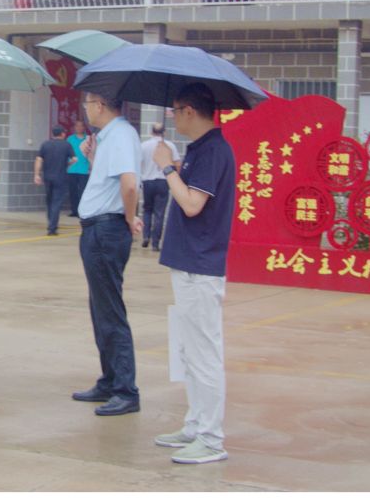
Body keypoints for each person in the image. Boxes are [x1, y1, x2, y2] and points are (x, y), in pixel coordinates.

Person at [151, 84, 236, 464]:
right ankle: (195, 424)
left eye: (175, 111)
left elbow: (191, 204)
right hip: (189, 264)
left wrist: (167, 167)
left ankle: (211, 439)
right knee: (190, 351)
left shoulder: (214, 150)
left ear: (189, 111)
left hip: (200, 268)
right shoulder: (202, 149)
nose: (173, 117)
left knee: (204, 354)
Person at [70, 91, 144, 416]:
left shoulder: (122, 134)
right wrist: (93, 157)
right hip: (97, 230)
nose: (85, 109)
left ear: (99, 105)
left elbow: (129, 185)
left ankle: (126, 390)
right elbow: (107, 183)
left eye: (87, 104)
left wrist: (129, 217)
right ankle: (110, 380)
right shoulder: (107, 137)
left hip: (106, 230)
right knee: (100, 310)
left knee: (110, 312)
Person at [139, 124, 176, 251]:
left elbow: (139, 163)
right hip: (163, 181)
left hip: (147, 182)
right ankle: (155, 243)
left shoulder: (143, 145)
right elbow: (176, 163)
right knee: (159, 213)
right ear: (164, 132)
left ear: (151, 132)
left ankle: (146, 236)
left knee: (147, 210)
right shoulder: (169, 146)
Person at [36, 126, 74, 236]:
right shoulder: (66, 145)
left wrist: (37, 174)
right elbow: (74, 159)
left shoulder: (45, 144)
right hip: (61, 177)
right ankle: (52, 228)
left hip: (47, 177)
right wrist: (67, 164)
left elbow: (39, 159)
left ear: (52, 134)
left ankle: (50, 223)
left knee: (49, 201)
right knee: (56, 202)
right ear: (62, 134)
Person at [65, 121, 92, 218]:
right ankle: (74, 211)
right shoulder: (70, 139)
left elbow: (93, 153)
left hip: (84, 169)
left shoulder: (88, 139)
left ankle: (82, 211)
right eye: (77, 126)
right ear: (74, 127)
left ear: (84, 127)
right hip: (71, 169)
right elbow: (66, 153)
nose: (79, 127)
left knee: (83, 191)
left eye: (81, 126)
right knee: (73, 191)